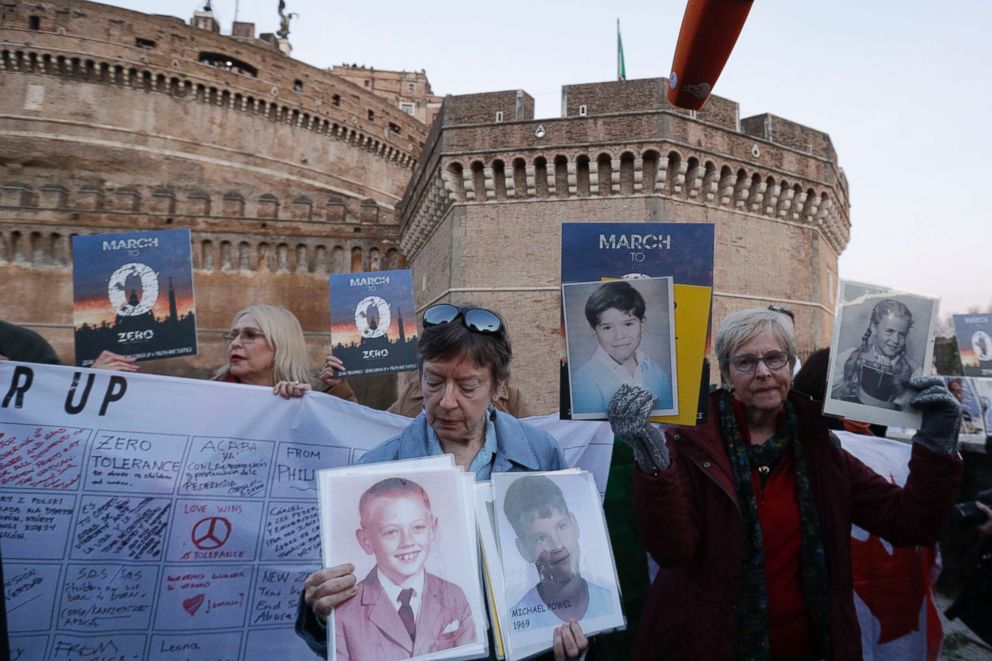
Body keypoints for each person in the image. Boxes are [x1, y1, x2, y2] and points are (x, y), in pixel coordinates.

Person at [608, 307, 963, 660]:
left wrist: (937, 442)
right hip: (711, 645)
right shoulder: (693, 450)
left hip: (811, 646)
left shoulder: (823, 452)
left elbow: (910, 523)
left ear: (790, 366)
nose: (763, 372)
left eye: (774, 358)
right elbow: (672, 550)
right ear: (727, 374)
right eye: (745, 362)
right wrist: (653, 464)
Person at [298, 304, 589, 660]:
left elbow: (571, 567)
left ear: (498, 386)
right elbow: (340, 626)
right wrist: (321, 612)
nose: (447, 402)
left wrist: (572, 634)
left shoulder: (540, 454)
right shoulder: (375, 471)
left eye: (468, 386)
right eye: (433, 382)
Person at [335, 477, 476, 660]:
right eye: (391, 532)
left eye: (418, 527)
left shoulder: (454, 596)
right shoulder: (345, 612)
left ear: (432, 529)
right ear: (366, 541)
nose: (407, 542)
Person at [502, 475, 614, 629]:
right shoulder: (515, 625)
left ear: (574, 524)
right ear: (524, 550)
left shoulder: (610, 602)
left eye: (562, 527)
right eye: (541, 538)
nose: (557, 545)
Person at [571, 280, 673, 415]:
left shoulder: (656, 372)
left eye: (628, 324)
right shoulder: (584, 382)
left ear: (642, 325)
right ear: (594, 331)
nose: (619, 336)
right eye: (607, 327)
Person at [832, 299, 919, 410]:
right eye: (890, 331)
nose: (896, 340)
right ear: (874, 328)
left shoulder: (914, 371)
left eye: (902, 334)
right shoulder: (850, 357)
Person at [214, 304, 313, 398]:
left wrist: (303, 400)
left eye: (250, 335)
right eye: (233, 336)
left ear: (280, 345)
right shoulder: (209, 395)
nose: (234, 343)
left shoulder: (301, 400)